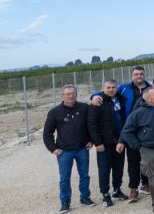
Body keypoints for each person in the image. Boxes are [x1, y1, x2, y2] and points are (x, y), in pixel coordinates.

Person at [92, 66, 151, 201]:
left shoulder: (150, 87)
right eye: (136, 74)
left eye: (141, 74)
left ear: (144, 75)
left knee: (148, 159)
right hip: (130, 131)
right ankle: (133, 189)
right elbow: (106, 91)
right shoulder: (123, 88)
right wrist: (94, 96)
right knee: (133, 160)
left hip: (147, 130)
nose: (139, 76)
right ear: (132, 76)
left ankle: (146, 184)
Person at [45, 85, 95, 213]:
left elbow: (91, 126)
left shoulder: (84, 108)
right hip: (64, 151)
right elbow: (47, 133)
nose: (71, 96)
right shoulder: (55, 112)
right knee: (64, 178)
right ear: (62, 96)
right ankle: (65, 202)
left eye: (73, 93)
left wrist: (91, 140)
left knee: (84, 175)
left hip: (82, 149)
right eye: (67, 94)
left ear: (76, 94)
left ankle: (85, 197)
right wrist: (53, 148)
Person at [88, 80, 127, 207]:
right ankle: (105, 194)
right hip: (104, 143)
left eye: (113, 87)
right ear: (103, 88)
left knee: (118, 167)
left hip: (119, 141)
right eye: (108, 87)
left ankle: (117, 190)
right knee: (104, 169)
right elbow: (92, 125)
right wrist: (97, 142)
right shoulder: (97, 102)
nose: (111, 89)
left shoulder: (120, 99)